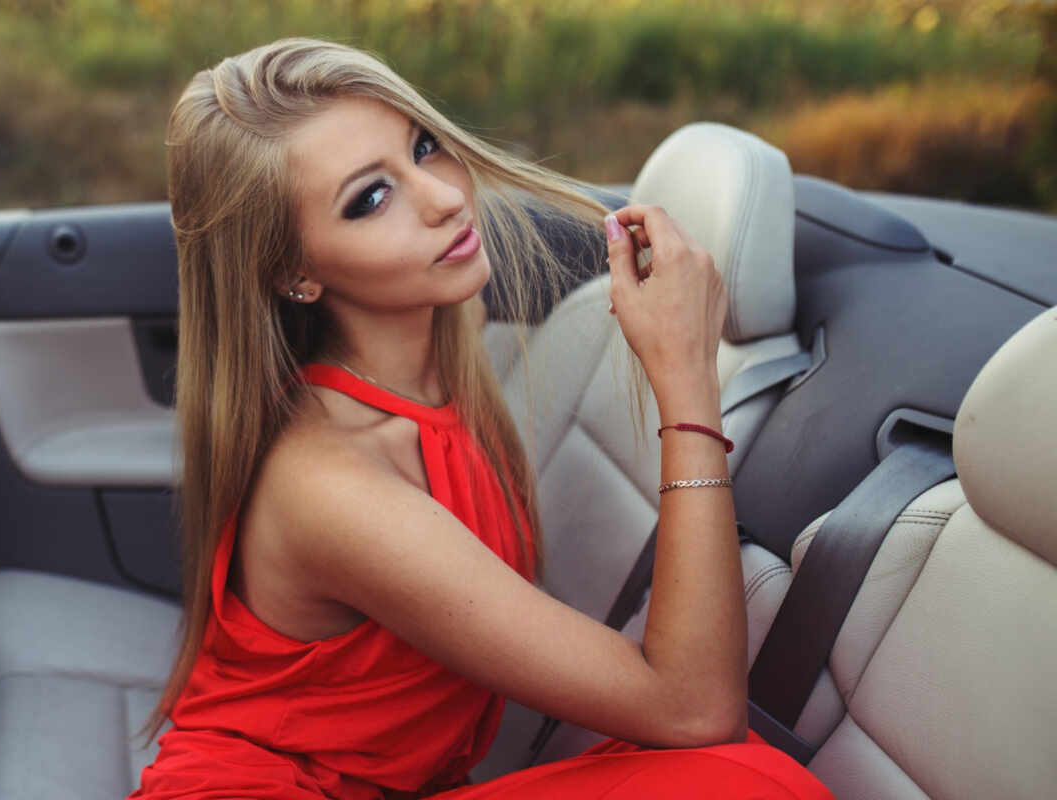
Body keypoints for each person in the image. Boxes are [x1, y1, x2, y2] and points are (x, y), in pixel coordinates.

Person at [128, 37, 831, 800]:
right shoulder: (331, 484)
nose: (445, 197)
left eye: (424, 147)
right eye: (370, 198)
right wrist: (687, 378)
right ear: (293, 273)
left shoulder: (433, 383)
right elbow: (696, 711)